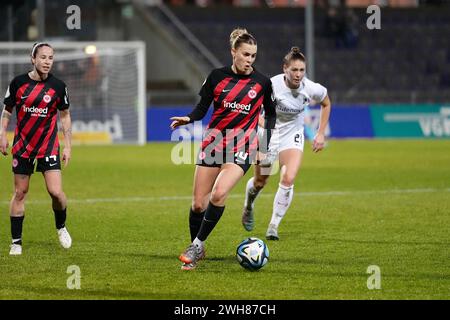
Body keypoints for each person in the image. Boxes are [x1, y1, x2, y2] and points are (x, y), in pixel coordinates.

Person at [170, 28, 276, 270]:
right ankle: (196, 246)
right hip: (214, 143)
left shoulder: (262, 83)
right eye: (246, 54)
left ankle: (195, 246)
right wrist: (188, 118)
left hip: (243, 146)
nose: (250, 60)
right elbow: (201, 108)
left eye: (253, 56)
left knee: (218, 194)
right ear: (233, 52)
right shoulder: (216, 77)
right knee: (198, 204)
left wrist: (263, 147)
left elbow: (270, 116)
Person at [242, 47, 331, 240]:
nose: (298, 74)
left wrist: (320, 133)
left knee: (288, 178)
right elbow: (252, 107)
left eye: (302, 70)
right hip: (267, 133)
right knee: (260, 182)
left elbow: (326, 103)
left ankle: (273, 225)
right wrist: (262, 123)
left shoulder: (310, 88)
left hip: (293, 132)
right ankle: (249, 206)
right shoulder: (270, 85)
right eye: (294, 70)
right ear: (285, 69)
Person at [0, 42, 72, 255]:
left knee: (56, 192)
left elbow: (65, 115)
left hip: (48, 146)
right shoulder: (18, 83)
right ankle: (16, 242)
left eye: (50, 57)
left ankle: (61, 227)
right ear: (33, 59)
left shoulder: (59, 86)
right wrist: (2, 134)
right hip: (23, 146)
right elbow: (7, 110)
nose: (47, 61)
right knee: (20, 192)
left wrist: (67, 146)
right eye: (43, 57)